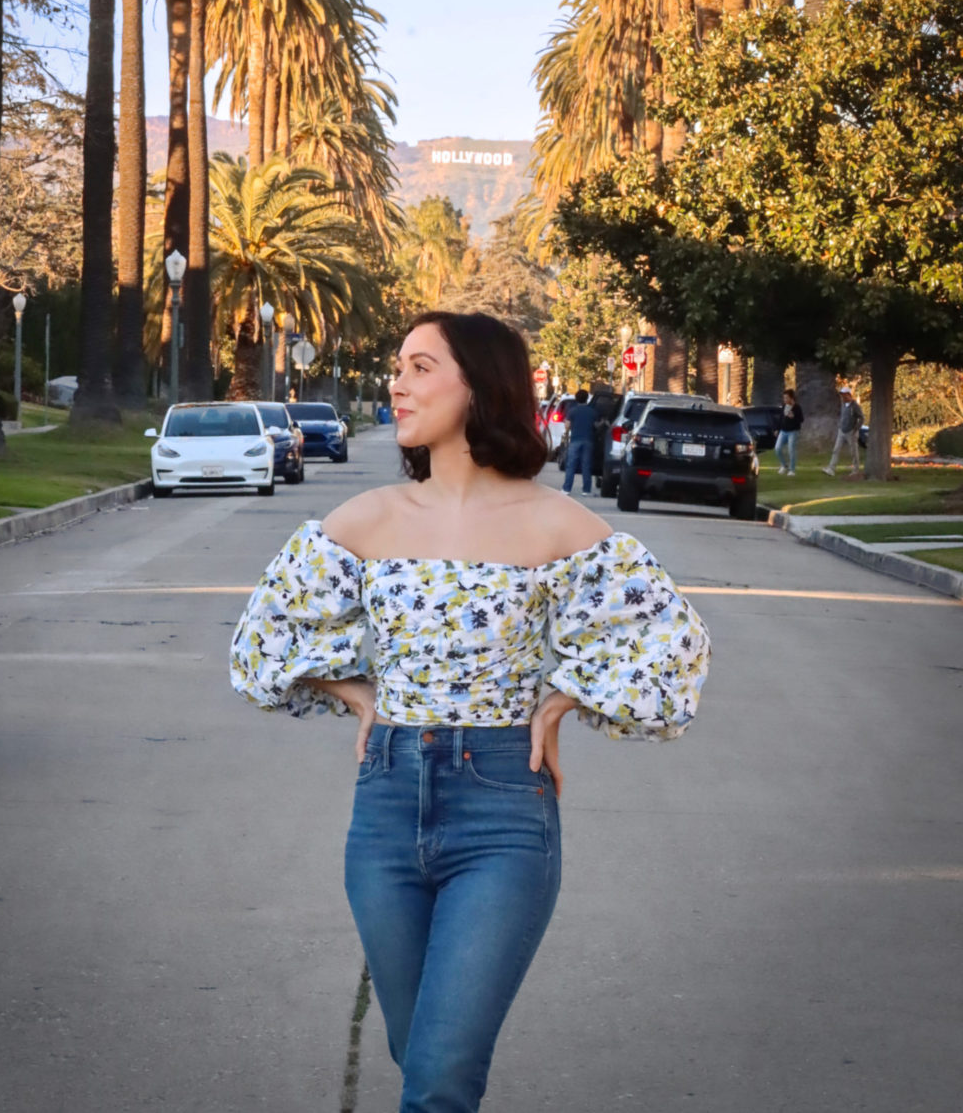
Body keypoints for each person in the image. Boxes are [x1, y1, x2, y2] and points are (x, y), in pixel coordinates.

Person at [230, 310, 711, 1113]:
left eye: (421, 367)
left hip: (502, 811)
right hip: (385, 807)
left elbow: (669, 643)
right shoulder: (367, 520)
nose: (398, 381)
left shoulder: (555, 521)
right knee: (415, 1050)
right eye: (398, 366)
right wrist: (357, 695)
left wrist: (562, 702)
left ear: (479, 385)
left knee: (442, 1076)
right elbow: (263, 641)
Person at [823, 384, 864, 476]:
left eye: (844, 395)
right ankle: (831, 468)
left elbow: (861, 418)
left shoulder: (855, 406)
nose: (842, 397)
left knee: (853, 452)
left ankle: (856, 470)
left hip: (851, 432)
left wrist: (856, 429)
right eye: (842, 395)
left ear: (849, 395)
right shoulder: (843, 404)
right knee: (836, 450)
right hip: (841, 431)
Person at [561, 387, 596, 495]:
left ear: (576, 399)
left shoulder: (572, 411)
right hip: (588, 440)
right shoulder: (592, 412)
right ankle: (586, 490)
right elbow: (596, 425)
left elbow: (567, 426)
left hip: (575, 439)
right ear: (587, 399)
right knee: (586, 465)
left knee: (571, 464)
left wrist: (568, 432)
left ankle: (566, 489)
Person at [774, 388, 804, 476]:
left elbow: (801, 420)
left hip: (793, 432)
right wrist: (777, 429)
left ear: (792, 398)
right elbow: (780, 418)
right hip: (783, 431)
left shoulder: (797, 408)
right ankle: (784, 465)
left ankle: (792, 470)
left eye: (787, 398)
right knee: (777, 448)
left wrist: (793, 417)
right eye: (784, 398)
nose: (785, 400)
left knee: (791, 450)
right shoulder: (784, 406)